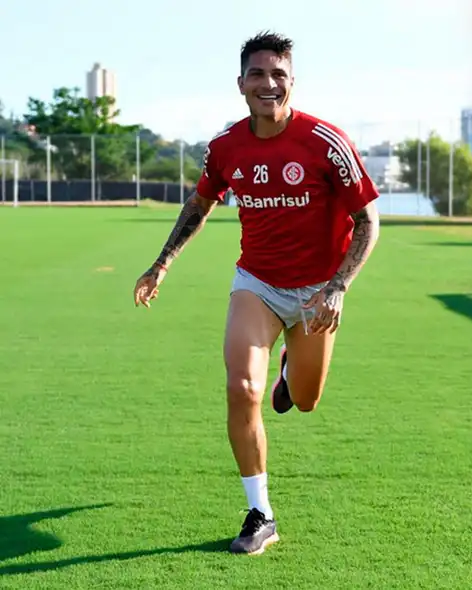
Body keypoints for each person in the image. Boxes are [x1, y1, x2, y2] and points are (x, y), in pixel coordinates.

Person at [132, 31, 381, 556]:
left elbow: (367, 221)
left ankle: (292, 370)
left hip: (318, 292)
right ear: (241, 83)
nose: (268, 84)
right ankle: (260, 512)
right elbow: (200, 205)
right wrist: (161, 265)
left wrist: (338, 286)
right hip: (258, 285)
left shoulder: (324, 142)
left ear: (293, 82)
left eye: (279, 75)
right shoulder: (226, 147)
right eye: (258, 74)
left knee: (307, 401)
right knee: (242, 389)